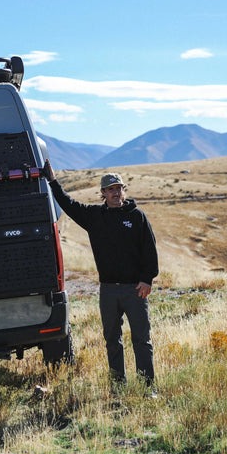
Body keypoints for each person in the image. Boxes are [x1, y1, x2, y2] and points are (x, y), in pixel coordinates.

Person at [43, 161, 158, 388]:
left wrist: (147, 279)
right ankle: (118, 386)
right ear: (103, 193)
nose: (116, 193)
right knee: (112, 341)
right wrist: (53, 182)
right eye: (111, 189)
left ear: (124, 190)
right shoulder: (94, 217)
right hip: (108, 291)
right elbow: (69, 204)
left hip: (135, 289)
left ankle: (148, 387)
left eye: (119, 188)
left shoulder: (137, 217)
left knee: (141, 340)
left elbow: (150, 250)